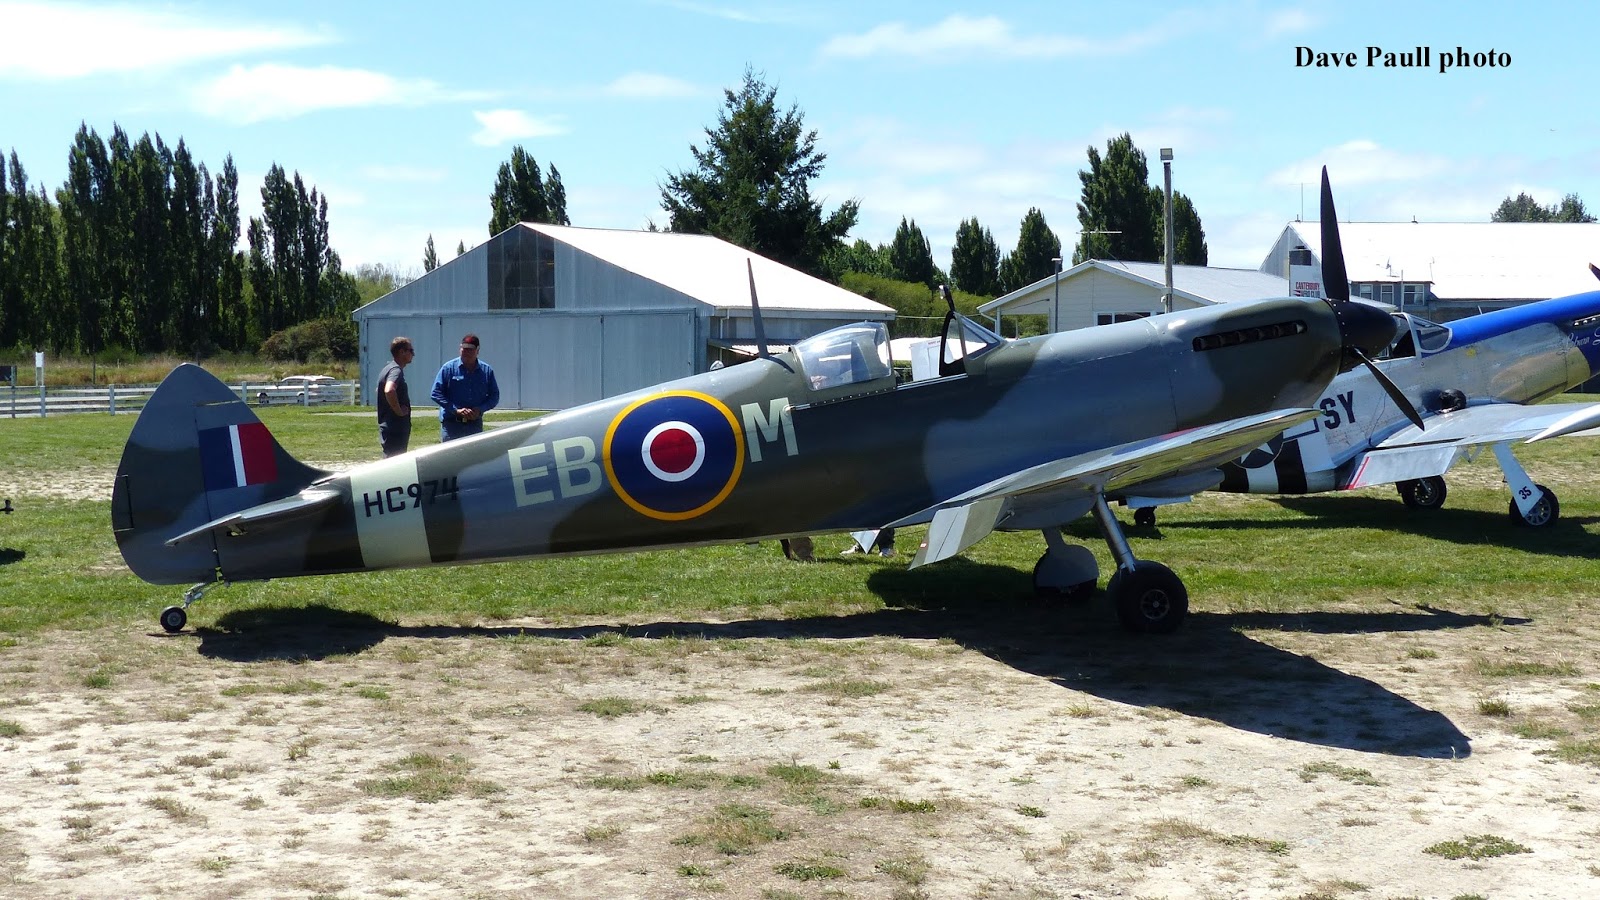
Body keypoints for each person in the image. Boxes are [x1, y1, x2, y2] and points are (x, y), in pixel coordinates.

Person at [431, 333, 500, 441]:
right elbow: (435, 393)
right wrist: (455, 410)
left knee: (473, 457)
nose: (466, 352)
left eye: (470, 349)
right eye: (464, 349)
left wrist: (480, 409)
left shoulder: (486, 371)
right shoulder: (449, 368)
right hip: (452, 425)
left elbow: (494, 396)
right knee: (451, 456)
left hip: (474, 425)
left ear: (478, 350)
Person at [376, 336, 414, 457]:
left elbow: (378, 390)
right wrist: (399, 411)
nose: (413, 354)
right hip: (395, 428)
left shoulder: (387, 369)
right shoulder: (395, 370)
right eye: (410, 350)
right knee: (394, 464)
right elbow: (389, 390)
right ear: (401, 352)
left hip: (389, 426)